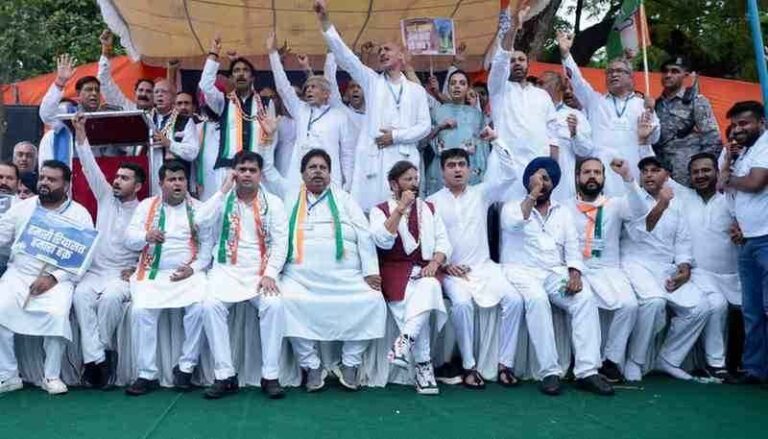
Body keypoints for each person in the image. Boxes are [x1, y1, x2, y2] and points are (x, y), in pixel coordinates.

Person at [266, 149, 386, 392]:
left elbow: (363, 233)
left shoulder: (345, 199)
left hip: (346, 277)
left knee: (373, 300)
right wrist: (272, 272)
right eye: (312, 167)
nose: (318, 171)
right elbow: (278, 239)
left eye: (323, 167)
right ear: (302, 174)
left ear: (330, 174)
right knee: (286, 302)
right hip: (300, 277)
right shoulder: (289, 199)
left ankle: (350, 363)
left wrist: (370, 271)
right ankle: (311, 365)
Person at [500, 157, 614, 396]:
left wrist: (575, 272)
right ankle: (550, 372)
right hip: (521, 272)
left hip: (554, 272)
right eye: (536, 178)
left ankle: (587, 371)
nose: (541, 183)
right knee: (537, 300)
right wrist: (532, 194)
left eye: (546, 179)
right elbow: (514, 225)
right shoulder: (512, 206)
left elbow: (572, 247)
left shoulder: (562, 212)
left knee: (584, 298)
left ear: (554, 183)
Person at [427, 129, 525, 388]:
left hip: (484, 268)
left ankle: (505, 364)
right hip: (452, 273)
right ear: (441, 172)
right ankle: (469, 367)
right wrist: (445, 266)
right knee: (461, 305)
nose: (457, 169)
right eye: (451, 165)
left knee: (515, 300)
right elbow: (427, 244)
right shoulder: (431, 202)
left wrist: (496, 139)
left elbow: (510, 173)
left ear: (470, 170)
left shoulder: (481, 194)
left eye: (462, 165)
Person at [315, 0, 431, 212]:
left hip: (403, 160)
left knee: (404, 217)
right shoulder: (371, 81)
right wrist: (325, 21)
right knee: (370, 215)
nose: (382, 53)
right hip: (373, 161)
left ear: (401, 56)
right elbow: (346, 57)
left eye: (387, 49)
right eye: (380, 51)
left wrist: (396, 136)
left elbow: (425, 126)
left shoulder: (416, 91)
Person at [194, 151, 288, 399]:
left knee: (274, 305)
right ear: (234, 172)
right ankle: (225, 375)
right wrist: (223, 189)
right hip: (226, 269)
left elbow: (281, 243)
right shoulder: (222, 199)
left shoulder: (274, 203)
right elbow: (200, 221)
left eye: (252, 170)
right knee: (210, 305)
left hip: (260, 271)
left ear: (260, 175)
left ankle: (270, 375)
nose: (247, 174)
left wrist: (270, 273)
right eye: (242, 169)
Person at [0, 160, 95, 395]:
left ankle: (51, 376)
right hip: (19, 274)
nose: (44, 183)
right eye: (42, 177)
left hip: (58, 280)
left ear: (66, 184)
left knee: (56, 314)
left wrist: (53, 278)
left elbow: (83, 258)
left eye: (52, 179)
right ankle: (8, 375)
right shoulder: (22, 207)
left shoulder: (79, 214)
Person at [70, 113, 145, 389]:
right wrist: (81, 134)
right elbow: (89, 166)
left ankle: (94, 358)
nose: (116, 181)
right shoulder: (104, 198)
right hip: (95, 270)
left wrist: (137, 270)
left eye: (124, 178)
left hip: (121, 275)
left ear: (137, 186)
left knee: (112, 298)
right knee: (80, 295)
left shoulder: (144, 210)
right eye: (116, 176)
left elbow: (149, 246)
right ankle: (100, 359)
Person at [123, 161, 211, 395]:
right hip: (152, 272)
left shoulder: (200, 208)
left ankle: (186, 367)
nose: (178, 183)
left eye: (181, 179)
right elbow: (129, 239)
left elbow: (207, 248)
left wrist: (193, 269)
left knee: (200, 307)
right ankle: (147, 373)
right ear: (161, 184)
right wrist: (146, 236)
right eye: (172, 179)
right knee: (141, 311)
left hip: (187, 273)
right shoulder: (146, 206)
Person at [621, 156, 710, 381]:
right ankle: (635, 360)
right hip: (636, 264)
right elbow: (641, 232)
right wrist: (661, 204)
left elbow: (682, 241)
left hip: (664, 268)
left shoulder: (677, 204)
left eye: (655, 170)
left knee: (700, 307)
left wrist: (683, 268)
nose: (648, 174)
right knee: (654, 302)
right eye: (645, 171)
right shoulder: (632, 199)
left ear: (667, 176)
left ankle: (668, 359)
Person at [370, 161, 451, 395]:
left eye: (416, 179)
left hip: (426, 269)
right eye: (408, 179)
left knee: (429, 286)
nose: (414, 184)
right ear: (394, 184)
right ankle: (423, 366)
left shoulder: (429, 209)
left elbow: (444, 242)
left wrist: (435, 263)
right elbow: (382, 240)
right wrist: (400, 209)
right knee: (420, 306)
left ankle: (403, 344)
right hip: (395, 271)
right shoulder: (380, 210)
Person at [565, 157, 649, 382]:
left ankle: (610, 361)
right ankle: (582, 360)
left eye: (597, 173)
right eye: (586, 172)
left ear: (603, 177)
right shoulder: (564, 206)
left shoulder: (615, 204)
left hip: (609, 269)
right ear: (577, 177)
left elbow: (641, 210)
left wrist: (628, 178)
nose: (592, 176)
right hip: (576, 268)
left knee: (630, 305)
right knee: (585, 303)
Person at [557, 32, 660, 196]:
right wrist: (565, 54)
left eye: (619, 71)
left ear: (630, 76)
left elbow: (654, 138)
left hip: (632, 169)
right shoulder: (595, 101)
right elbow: (576, 80)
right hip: (601, 173)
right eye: (610, 72)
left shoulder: (642, 104)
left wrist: (652, 112)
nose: (613, 74)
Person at [672, 153, 739, 380]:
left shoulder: (731, 198)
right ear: (689, 176)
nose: (701, 175)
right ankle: (715, 363)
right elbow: (657, 174)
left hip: (733, 276)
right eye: (695, 172)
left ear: (717, 172)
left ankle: (739, 364)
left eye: (706, 170)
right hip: (699, 274)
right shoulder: (683, 197)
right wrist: (642, 143)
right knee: (717, 305)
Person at [267, 32, 355, 193]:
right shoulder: (300, 110)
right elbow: (282, 86)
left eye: (313, 87)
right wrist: (272, 54)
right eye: (307, 87)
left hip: (330, 180)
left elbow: (347, 153)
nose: (308, 90)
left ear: (326, 93)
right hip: (299, 178)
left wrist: (348, 183)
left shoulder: (339, 116)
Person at [720, 101, 768, 384]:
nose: (738, 129)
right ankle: (754, 369)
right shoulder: (746, 151)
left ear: (761, 122)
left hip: (765, 238)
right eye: (735, 124)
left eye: (744, 123)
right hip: (748, 240)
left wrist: (729, 179)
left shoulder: (766, 145)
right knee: (752, 310)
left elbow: (755, 183)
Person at [489, 7, 558, 174]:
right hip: (506, 165)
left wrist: (554, 167)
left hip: (538, 165)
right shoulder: (499, 88)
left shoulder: (542, 95)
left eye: (521, 60)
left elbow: (553, 135)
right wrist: (513, 28)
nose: (517, 63)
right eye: (512, 61)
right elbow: (500, 59)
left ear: (528, 65)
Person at [199, 35, 277, 171]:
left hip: (256, 170)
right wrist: (213, 54)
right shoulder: (222, 101)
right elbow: (205, 85)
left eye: (245, 70)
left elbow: (271, 138)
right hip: (227, 169)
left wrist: (266, 167)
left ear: (252, 78)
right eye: (236, 71)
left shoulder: (265, 103)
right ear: (231, 78)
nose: (241, 74)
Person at [653, 57, 722, 185]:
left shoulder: (696, 100)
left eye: (674, 71)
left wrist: (702, 168)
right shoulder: (656, 105)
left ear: (685, 75)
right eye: (665, 71)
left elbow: (712, 138)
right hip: (663, 169)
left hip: (688, 170)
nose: (668, 75)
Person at [423, 70, 490, 196]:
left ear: (468, 88)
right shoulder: (437, 112)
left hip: (469, 168)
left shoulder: (477, 115)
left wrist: (481, 172)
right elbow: (424, 141)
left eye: (462, 83)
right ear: (448, 87)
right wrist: (440, 127)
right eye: (453, 83)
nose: (457, 86)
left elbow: (483, 148)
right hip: (440, 168)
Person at [538, 71, 595, 202]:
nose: (537, 87)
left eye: (542, 84)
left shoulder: (575, 115)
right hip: (535, 179)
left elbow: (587, 151)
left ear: (557, 87)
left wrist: (575, 134)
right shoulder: (531, 114)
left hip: (562, 186)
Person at [39, 55, 103, 166]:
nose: (94, 93)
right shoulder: (68, 112)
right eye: (89, 89)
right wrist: (60, 82)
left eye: (97, 90)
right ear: (78, 93)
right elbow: (46, 114)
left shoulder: (106, 116)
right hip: (71, 172)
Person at [148, 79, 200, 195]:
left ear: (173, 98)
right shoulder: (145, 119)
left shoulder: (185, 121)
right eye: (156, 92)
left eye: (164, 92)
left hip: (174, 182)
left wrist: (170, 144)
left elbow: (193, 152)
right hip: (149, 179)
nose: (159, 95)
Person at [97, 30, 154, 111]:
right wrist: (106, 49)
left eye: (148, 91)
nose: (143, 94)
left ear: (155, 95)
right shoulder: (127, 108)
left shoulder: (161, 115)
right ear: (135, 92)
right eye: (141, 90)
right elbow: (104, 81)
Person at [0, 162, 21, 276]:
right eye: (0, 177)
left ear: (18, 183)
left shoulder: (25, 207)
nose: (3, 182)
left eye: (9, 178)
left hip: (8, 262)